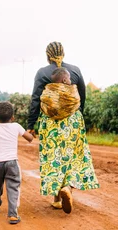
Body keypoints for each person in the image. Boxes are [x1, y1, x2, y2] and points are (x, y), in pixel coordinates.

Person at [27, 41, 100, 214]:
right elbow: (82, 96)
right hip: (72, 120)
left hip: (50, 121)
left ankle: (57, 198)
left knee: (54, 156)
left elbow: (36, 99)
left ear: (47, 55)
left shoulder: (42, 72)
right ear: (63, 53)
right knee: (73, 155)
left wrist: (31, 124)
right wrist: (77, 116)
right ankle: (67, 187)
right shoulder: (74, 70)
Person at [0, 101, 34, 224]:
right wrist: (30, 133)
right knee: (13, 187)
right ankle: (12, 215)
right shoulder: (16, 126)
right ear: (12, 117)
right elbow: (30, 138)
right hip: (12, 163)